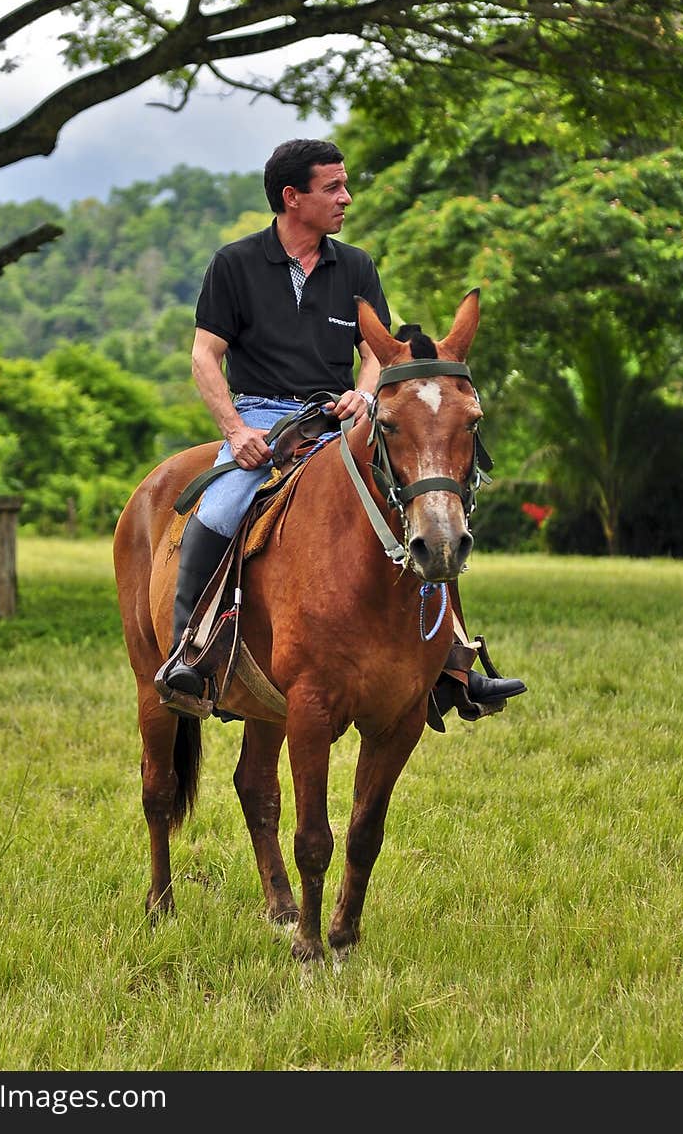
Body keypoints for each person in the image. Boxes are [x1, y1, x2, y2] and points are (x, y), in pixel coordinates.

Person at [155, 137, 526, 718]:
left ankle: (453, 659)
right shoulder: (236, 264)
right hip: (261, 417)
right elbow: (206, 356)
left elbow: (376, 348)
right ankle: (190, 653)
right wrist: (234, 433)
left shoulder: (355, 265)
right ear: (291, 197)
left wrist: (364, 389)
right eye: (333, 187)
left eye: (344, 185)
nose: (346, 197)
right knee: (221, 508)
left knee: (419, 506)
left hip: (341, 418)